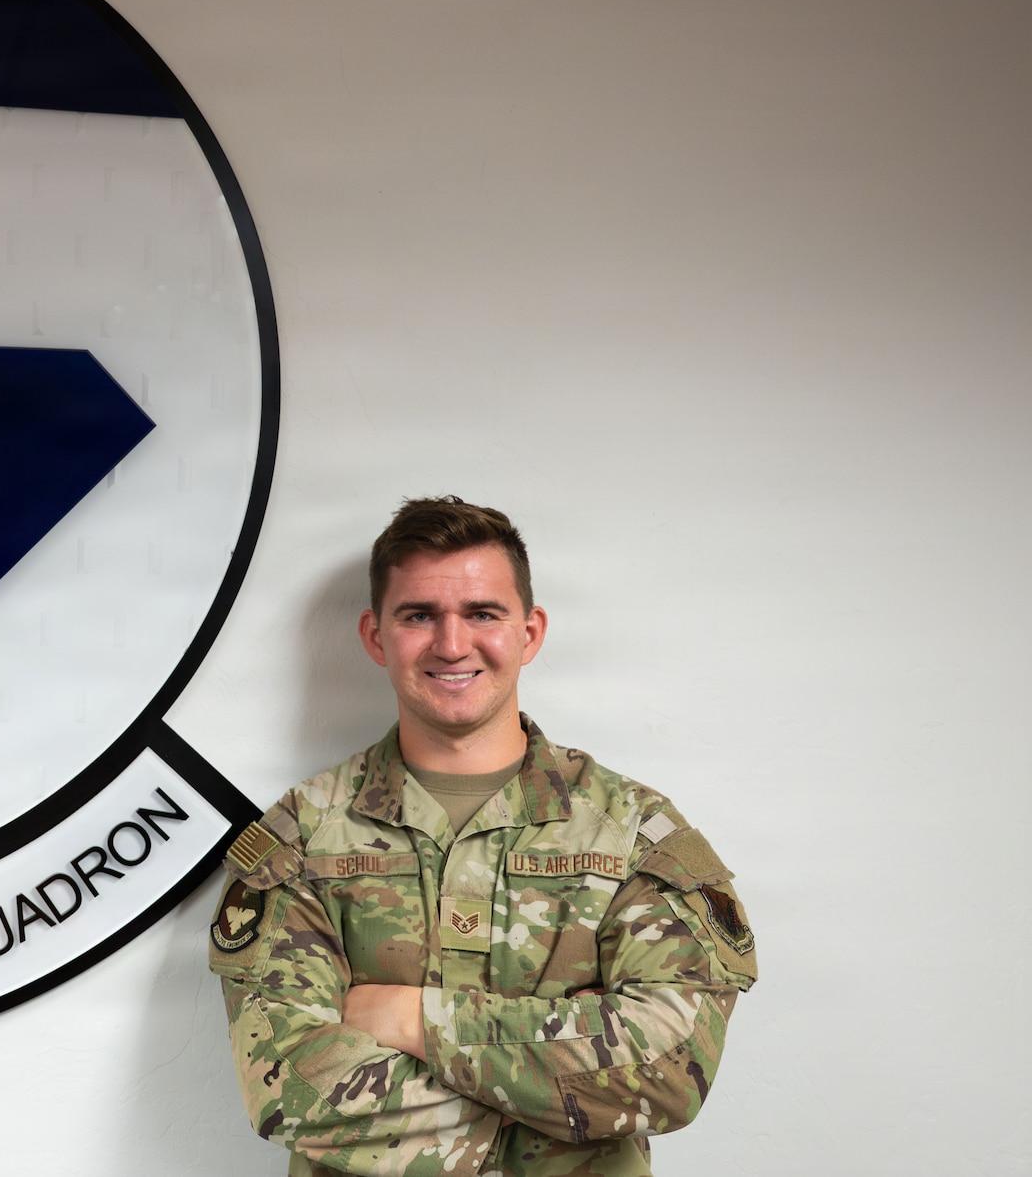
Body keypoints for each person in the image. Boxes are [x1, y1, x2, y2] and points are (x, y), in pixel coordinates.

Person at [209, 497, 755, 1176]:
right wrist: (560, 1085)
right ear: (377, 635)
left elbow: (671, 1069)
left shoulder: (635, 833)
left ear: (530, 632)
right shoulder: (302, 839)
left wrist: (414, 1020)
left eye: (482, 613)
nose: (451, 642)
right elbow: (289, 1087)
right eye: (419, 615)